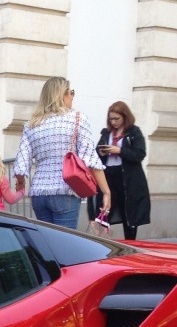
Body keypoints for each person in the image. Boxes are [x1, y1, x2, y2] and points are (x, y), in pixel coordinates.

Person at [12, 76, 111, 228]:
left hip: (39, 194)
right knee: (65, 244)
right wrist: (106, 192)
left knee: (47, 244)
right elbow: (90, 160)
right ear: (62, 95)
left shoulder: (32, 124)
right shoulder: (77, 118)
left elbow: (20, 165)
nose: (72, 97)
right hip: (66, 190)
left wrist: (20, 183)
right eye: (71, 93)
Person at [95, 100, 150, 239]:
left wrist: (120, 150)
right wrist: (102, 152)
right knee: (105, 210)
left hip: (127, 178)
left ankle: (130, 243)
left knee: (129, 214)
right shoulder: (107, 133)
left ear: (125, 116)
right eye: (111, 118)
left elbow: (139, 154)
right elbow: (96, 152)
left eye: (116, 119)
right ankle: (102, 242)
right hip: (108, 176)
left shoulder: (134, 132)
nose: (113, 122)